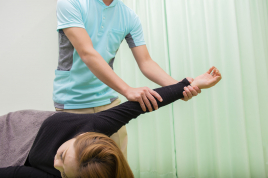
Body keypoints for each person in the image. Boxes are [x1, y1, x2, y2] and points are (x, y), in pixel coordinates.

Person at [0, 67, 221, 178]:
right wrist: (191, 84)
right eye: (62, 155)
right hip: (15, 124)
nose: (58, 166)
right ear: (80, 138)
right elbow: (145, 103)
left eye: (66, 174)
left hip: (13, 155)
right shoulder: (96, 125)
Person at [53, 0, 201, 159]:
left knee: (116, 168)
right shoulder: (71, 3)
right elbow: (87, 53)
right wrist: (127, 90)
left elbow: (146, 62)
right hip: (72, 103)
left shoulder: (129, 17)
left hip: (108, 102)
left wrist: (181, 88)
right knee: (74, 169)